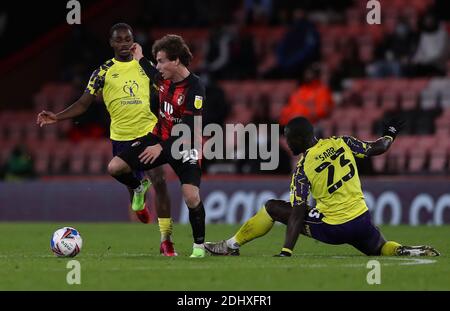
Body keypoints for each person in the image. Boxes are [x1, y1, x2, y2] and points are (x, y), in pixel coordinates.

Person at [204, 117, 440, 257]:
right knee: (378, 248)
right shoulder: (343, 142)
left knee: (272, 207)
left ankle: (231, 245)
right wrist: (391, 133)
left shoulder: (303, 168)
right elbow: (379, 148)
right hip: (362, 219)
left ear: (299, 139)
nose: (287, 143)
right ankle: (403, 250)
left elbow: (297, 212)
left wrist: (287, 250)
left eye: (288, 138)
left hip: (334, 229)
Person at [36, 23, 177, 257]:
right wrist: (57, 117)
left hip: (148, 131)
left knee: (160, 180)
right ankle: (137, 187)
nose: (124, 44)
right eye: (119, 40)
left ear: (134, 40)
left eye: (128, 39)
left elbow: (165, 89)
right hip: (121, 137)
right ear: (111, 43)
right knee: (117, 172)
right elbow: (83, 103)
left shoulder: (145, 66)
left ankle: (166, 241)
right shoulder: (102, 72)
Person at [107, 35, 207, 258]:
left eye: (161, 61)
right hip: (158, 138)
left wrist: (161, 148)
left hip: (185, 145)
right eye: (157, 61)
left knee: (191, 196)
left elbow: (189, 129)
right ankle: (139, 186)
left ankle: (199, 247)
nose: (158, 66)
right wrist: (140, 56)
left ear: (176, 61)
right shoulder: (162, 79)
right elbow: (148, 70)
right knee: (115, 167)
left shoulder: (195, 87)